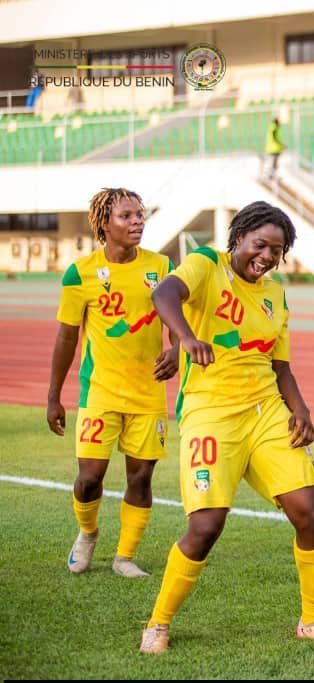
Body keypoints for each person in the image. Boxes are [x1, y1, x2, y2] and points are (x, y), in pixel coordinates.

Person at [139, 201, 314, 654]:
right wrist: (186, 338)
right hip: (210, 412)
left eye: (277, 249)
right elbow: (164, 295)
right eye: (260, 244)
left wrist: (301, 411)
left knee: (310, 512)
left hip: (266, 411)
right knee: (206, 525)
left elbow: (281, 365)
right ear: (239, 238)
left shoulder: (275, 294)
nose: (267, 256)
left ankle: (313, 620)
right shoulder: (207, 265)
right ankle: (158, 623)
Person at [47, 187, 177, 580]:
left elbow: (177, 316)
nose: (137, 221)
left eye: (140, 214)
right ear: (105, 224)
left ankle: (125, 556)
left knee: (141, 476)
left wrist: (175, 350)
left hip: (148, 392)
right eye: (127, 216)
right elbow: (67, 337)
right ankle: (87, 533)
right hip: (99, 391)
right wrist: (53, 396)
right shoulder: (81, 273)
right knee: (89, 479)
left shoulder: (162, 266)